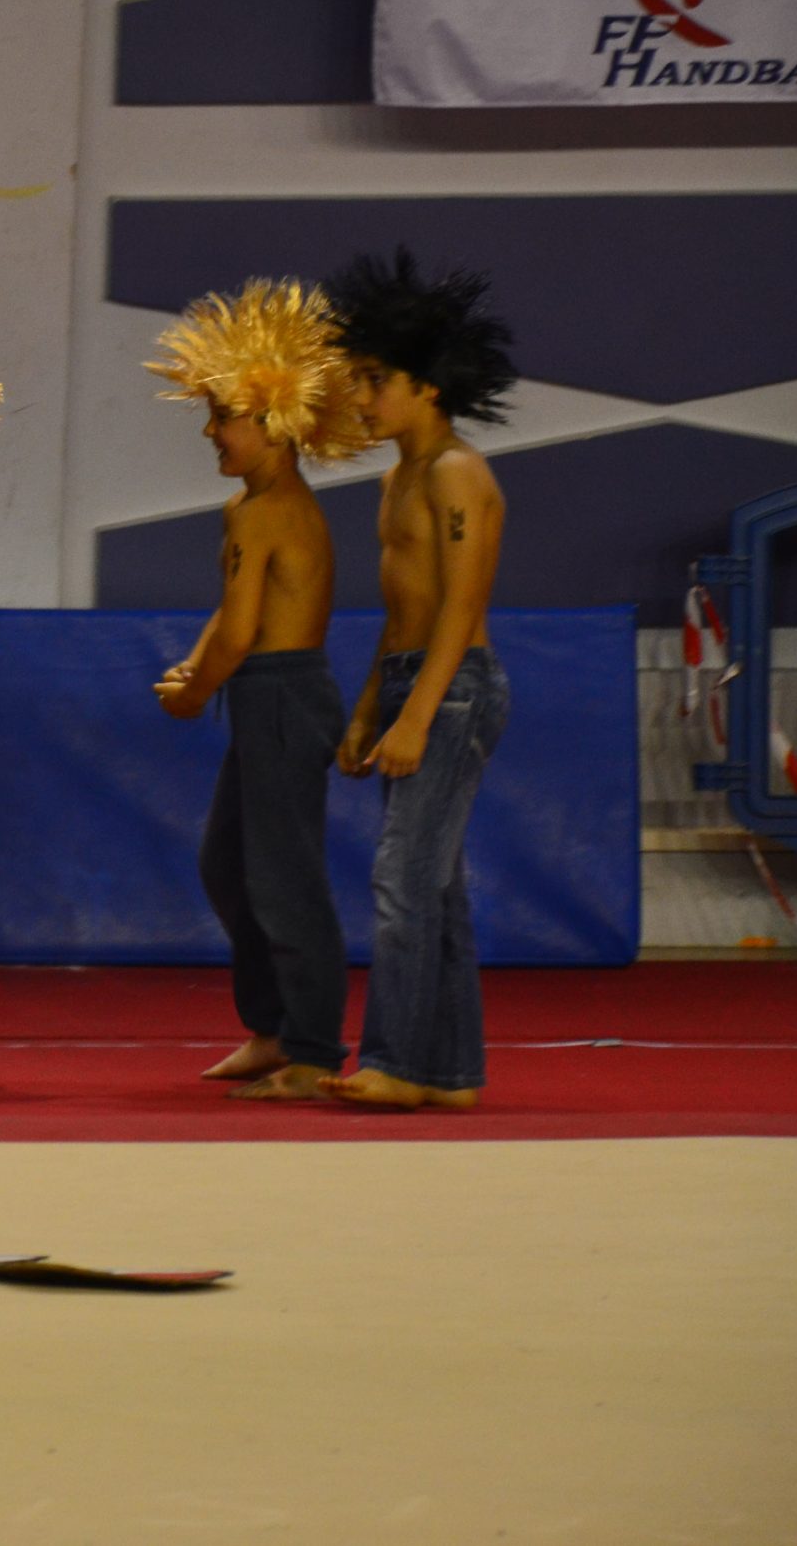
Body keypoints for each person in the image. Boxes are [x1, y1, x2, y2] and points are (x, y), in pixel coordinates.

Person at [145, 279, 370, 1100]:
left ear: (275, 420)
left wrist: (194, 691)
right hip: (268, 694)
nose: (210, 431)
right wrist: (197, 663)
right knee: (228, 865)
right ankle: (274, 1029)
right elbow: (235, 613)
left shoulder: (266, 512)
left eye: (222, 416)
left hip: (281, 696)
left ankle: (312, 1047)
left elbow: (242, 635)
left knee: (283, 878)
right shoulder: (253, 506)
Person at [319, 249, 515, 1112]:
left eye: (374, 381)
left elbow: (461, 610)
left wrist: (419, 716)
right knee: (436, 886)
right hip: (412, 680)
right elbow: (401, 612)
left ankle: (396, 1060)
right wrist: (370, 709)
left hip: (453, 685)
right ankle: (451, 1072)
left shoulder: (456, 474)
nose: (359, 398)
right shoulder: (398, 477)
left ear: (427, 386)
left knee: (402, 879)